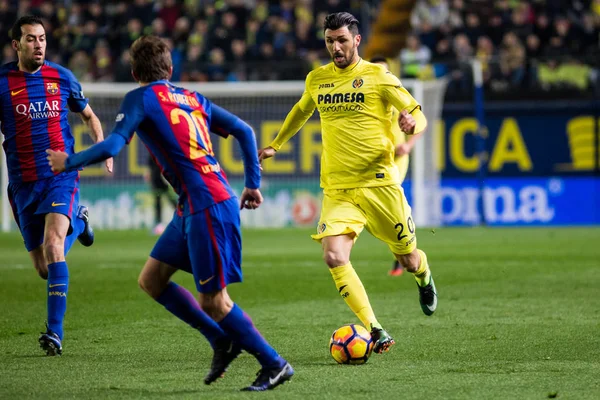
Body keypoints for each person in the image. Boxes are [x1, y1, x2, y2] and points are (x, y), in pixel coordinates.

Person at [46, 35, 293, 391]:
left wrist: (69, 161)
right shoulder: (192, 97)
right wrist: (252, 182)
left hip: (206, 204)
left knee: (215, 300)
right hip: (196, 203)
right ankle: (220, 341)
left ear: (133, 72)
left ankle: (274, 364)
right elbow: (244, 129)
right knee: (152, 280)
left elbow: (115, 144)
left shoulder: (139, 98)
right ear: (170, 68)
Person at [259, 12, 439, 354]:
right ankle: (375, 329)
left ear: (356, 40)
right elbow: (301, 111)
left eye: (342, 40)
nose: (335, 47)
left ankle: (424, 276)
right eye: (329, 41)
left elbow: (419, 114)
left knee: (409, 260)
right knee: (333, 255)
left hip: (381, 185)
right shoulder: (318, 79)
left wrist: (409, 124)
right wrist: (275, 144)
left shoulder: (378, 76)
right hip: (339, 189)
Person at [0, 15, 111, 356]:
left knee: (53, 245)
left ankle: (55, 333)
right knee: (43, 268)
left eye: (43, 38)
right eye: (31, 39)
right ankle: (81, 222)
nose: (39, 44)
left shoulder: (61, 77)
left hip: (60, 178)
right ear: (16, 45)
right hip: (21, 183)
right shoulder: (2, 83)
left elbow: (89, 116)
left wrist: (103, 150)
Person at [369, 55, 421, 277]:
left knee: (392, 206)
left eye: (385, 70)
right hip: (374, 159)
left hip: (396, 159)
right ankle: (402, 253)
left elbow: (420, 121)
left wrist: (408, 146)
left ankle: (401, 257)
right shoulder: (365, 98)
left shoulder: (396, 94)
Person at [144, 153, 177, 235]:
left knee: (171, 200)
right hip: (156, 180)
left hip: (163, 180)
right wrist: (148, 173)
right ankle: (159, 224)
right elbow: (150, 165)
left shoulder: (161, 150)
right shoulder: (152, 151)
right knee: (158, 202)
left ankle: (183, 215)